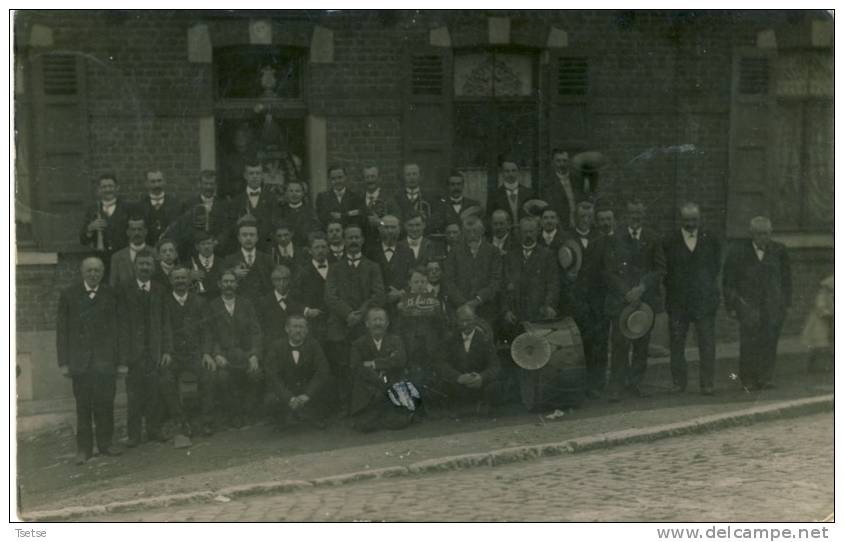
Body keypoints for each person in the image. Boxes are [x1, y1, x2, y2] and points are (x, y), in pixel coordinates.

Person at [56, 257, 125, 465]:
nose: (93, 274)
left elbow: (120, 330)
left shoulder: (111, 294)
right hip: (81, 363)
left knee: (106, 404)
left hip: (106, 362)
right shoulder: (69, 295)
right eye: (89, 271)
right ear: (82, 272)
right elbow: (62, 331)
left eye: (97, 270)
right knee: (83, 407)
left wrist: (121, 362)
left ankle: (106, 444)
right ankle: (83, 449)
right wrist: (64, 362)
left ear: (102, 273)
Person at [602, 198, 666, 402]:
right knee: (620, 344)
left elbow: (660, 268)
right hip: (622, 300)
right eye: (632, 214)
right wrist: (626, 292)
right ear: (626, 215)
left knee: (641, 344)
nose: (636, 218)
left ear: (643, 215)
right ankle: (616, 386)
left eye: (639, 214)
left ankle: (635, 383)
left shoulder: (653, 238)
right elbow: (608, 271)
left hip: (644, 301)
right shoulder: (615, 238)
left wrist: (642, 287)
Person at [723, 216, 792, 391]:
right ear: (751, 234)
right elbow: (729, 281)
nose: (763, 238)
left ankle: (765, 377)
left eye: (767, 234)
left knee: (769, 342)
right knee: (749, 344)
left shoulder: (779, 250)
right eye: (759, 234)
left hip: (772, 306)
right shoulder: (738, 252)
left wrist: (786, 304)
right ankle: (748, 379)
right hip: (748, 307)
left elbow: (786, 280)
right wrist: (731, 306)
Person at [662, 202, 722, 395]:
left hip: (703, 302)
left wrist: (705, 288)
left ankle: (707, 383)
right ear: (681, 220)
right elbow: (666, 270)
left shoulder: (710, 239)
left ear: (699, 219)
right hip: (678, 302)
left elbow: (715, 267)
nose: (691, 223)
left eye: (694, 219)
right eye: (687, 220)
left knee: (706, 343)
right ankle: (679, 383)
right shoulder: (670, 241)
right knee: (677, 344)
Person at [324, 225, 386, 408]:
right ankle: (346, 405)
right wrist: (347, 313)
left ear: (362, 240)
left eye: (356, 238)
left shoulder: (372, 267)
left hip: (364, 324)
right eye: (349, 238)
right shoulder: (334, 268)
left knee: (365, 364)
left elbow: (379, 295)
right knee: (342, 365)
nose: (353, 241)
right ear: (344, 241)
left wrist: (360, 314)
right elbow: (329, 296)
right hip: (341, 324)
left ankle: (366, 403)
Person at [117, 248, 172, 446]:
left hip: (154, 351)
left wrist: (166, 350)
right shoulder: (124, 289)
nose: (145, 268)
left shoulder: (160, 290)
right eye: (141, 264)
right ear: (135, 266)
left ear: (153, 267)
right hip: (133, 352)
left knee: (154, 393)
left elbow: (165, 322)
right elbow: (121, 325)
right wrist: (122, 359)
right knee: (134, 395)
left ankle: (153, 430)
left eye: (149, 264)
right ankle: (134, 435)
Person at [160, 266, 216, 437]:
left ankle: (206, 421)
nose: (180, 282)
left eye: (183, 278)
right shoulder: (165, 303)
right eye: (176, 279)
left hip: (195, 354)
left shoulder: (199, 302)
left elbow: (207, 330)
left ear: (189, 280)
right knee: (165, 378)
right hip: (174, 354)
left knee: (209, 374)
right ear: (171, 281)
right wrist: (167, 352)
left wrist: (206, 353)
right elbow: (164, 329)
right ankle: (181, 421)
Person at [208, 269, 263, 427]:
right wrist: (217, 355)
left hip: (245, 354)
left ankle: (248, 412)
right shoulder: (212, 306)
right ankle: (234, 414)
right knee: (223, 378)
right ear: (219, 284)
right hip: (225, 355)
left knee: (256, 374)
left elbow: (256, 332)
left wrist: (254, 356)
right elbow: (210, 335)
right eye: (225, 282)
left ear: (237, 284)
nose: (228, 285)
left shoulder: (246, 304)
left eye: (232, 281)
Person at [349, 307, 412, 432]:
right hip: (369, 391)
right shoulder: (358, 344)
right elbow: (356, 366)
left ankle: (385, 415)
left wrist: (374, 364)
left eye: (381, 320)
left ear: (387, 323)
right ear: (367, 324)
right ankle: (374, 416)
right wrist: (385, 365)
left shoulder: (396, 340)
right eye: (374, 320)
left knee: (400, 422)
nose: (378, 323)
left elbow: (400, 360)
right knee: (364, 426)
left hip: (391, 387)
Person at [264, 314, 332, 430]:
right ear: (287, 329)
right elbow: (272, 376)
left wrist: (307, 395)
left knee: (328, 384)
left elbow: (322, 371)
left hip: (306, 391)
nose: (298, 330)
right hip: (287, 391)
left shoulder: (314, 345)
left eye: (302, 327)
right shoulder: (276, 346)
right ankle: (285, 418)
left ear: (307, 330)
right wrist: (289, 398)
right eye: (295, 327)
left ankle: (310, 415)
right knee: (270, 398)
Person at [434, 305, 501, 415]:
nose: (465, 324)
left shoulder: (485, 339)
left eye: (468, 320)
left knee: (494, 387)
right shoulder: (450, 339)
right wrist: (458, 377)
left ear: (475, 319)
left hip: (480, 384)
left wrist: (481, 377)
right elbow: (440, 363)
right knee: (443, 386)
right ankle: (463, 408)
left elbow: (495, 366)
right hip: (459, 384)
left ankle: (480, 405)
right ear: (457, 320)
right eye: (462, 321)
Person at [502, 216, 560, 327]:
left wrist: (549, 306)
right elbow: (504, 285)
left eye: (531, 232)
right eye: (525, 232)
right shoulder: (510, 255)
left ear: (538, 232)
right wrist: (506, 310)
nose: (528, 235)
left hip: (538, 313)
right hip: (515, 315)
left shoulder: (547, 255)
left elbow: (553, 284)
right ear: (519, 233)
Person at [444, 215, 503, 323]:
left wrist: (478, 300)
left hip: (485, 308)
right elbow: (449, 281)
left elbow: (496, 281)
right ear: (463, 233)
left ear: (482, 231)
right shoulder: (454, 252)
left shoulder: (493, 252)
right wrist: (463, 303)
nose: (471, 235)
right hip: (459, 307)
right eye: (467, 232)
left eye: (475, 231)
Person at [397, 267, 446, 390]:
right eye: (416, 282)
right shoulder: (403, 301)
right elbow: (398, 328)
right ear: (409, 283)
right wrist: (401, 312)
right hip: (410, 345)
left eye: (423, 282)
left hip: (430, 344)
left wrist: (438, 311)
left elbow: (441, 327)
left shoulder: (434, 300)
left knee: (429, 374)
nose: (420, 285)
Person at [164, 170, 232, 258]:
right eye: (205, 183)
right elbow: (184, 227)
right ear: (199, 184)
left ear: (215, 185)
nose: (208, 187)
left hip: (217, 252)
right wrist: (198, 241)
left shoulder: (224, 204)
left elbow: (227, 227)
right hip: (194, 252)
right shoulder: (188, 204)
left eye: (211, 184)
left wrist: (217, 241)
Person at [79, 174, 132, 277]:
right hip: (100, 258)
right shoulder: (92, 209)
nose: (108, 190)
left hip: (122, 258)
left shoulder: (127, 208)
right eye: (104, 187)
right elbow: (83, 240)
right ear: (99, 189)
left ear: (117, 188)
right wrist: (90, 228)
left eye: (110, 186)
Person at [292, 232, 331, 345]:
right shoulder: (302, 272)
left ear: (328, 249)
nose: (320, 251)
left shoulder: (337, 268)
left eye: (323, 247)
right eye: (317, 247)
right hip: (314, 325)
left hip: (335, 324)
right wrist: (307, 311)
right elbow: (292, 299)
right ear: (310, 250)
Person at [366, 215, 414, 309]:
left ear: (399, 229)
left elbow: (412, 278)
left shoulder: (408, 252)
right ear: (379, 229)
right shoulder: (370, 252)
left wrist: (401, 293)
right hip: (376, 306)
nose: (390, 231)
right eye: (386, 227)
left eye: (393, 227)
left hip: (401, 304)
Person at [256, 265, 304, 357]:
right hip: (272, 349)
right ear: (273, 282)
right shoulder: (264, 302)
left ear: (290, 280)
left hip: (296, 347)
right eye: (278, 280)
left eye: (285, 279)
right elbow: (261, 329)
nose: (282, 283)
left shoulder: (297, 299)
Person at [223, 218, 274, 304]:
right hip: (240, 305)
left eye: (252, 235)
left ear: (257, 238)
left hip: (264, 304)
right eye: (244, 235)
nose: (248, 238)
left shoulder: (267, 259)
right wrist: (233, 274)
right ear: (239, 238)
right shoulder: (230, 259)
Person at [229, 161, 277, 251]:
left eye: (258, 173)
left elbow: (275, 223)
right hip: (243, 248)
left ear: (262, 175)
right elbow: (231, 227)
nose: (255, 176)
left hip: (266, 248)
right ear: (245, 176)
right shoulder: (236, 200)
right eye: (251, 173)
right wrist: (240, 222)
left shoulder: (271, 198)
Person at [136, 170, 185, 246]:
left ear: (164, 182)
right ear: (146, 184)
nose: (156, 185)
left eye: (159, 181)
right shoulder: (139, 206)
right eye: (153, 182)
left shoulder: (176, 204)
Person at [315, 165, 366, 230]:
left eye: (340, 177)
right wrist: (348, 215)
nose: (337, 181)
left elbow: (358, 218)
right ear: (329, 180)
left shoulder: (356, 197)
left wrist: (341, 216)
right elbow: (323, 218)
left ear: (346, 177)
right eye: (333, 179)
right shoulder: (322, 197)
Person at [487, 158, 536, 225]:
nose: (511, 174)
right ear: (502, 173)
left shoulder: (529, 193)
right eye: (507, 171)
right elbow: (489, 219)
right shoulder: (494, 195)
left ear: (518, 172)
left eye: (513, 171)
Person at [361, 164, 400, 248]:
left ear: (379, 178)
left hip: (383, 245)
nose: (370, 180)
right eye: (367, 177)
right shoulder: (358, 199)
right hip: (363, 246)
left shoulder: (389, 200)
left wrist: (380, 222)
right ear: (364, 179)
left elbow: (397, 223)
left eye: (373, 176)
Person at [802, 275, 834, 374]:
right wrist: (828, 314)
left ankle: (830, 365)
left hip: (829, 321)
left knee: (829, 345)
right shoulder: (822, 295)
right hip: (819, 322)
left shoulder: (831, 295)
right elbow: (820, 306)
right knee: (817, 345)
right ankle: (810, 366)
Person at [432, 170, 480, 234]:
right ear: (448, 186)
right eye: (452, 184)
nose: (456, 187)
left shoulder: (473, 205)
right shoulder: (439, 206)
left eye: (458, 184)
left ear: (463, 186)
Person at [276, 180, 319, 249]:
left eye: (297, 191)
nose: (294, 194)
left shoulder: (310, 212)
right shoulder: (280, 211)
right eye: (291, 191)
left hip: (305, 248)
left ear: (303, 193)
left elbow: (314, 232)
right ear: (286, 193)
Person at [541, 149, 579, 229]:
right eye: (558, 161)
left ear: (569, 162)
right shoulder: (548, 183)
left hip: (578, 225)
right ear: (553, 163)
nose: (562, 164)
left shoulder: (576, 180)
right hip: (560, 227)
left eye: (564, 161)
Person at [109, 216, 150, 288]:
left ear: (145, 231)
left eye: (140, 229)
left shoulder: (156, 254)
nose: (136, 233)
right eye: (133, 230)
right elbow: (113, 286)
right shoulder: (117, 257)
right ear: (128, 232)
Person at [187, 231, 223, 299]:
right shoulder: (189, 265)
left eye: (209, 243)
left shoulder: (223, 263)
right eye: (203, 244)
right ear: (197, 247)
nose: (206, 247)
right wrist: (189, 277)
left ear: (213, 245)